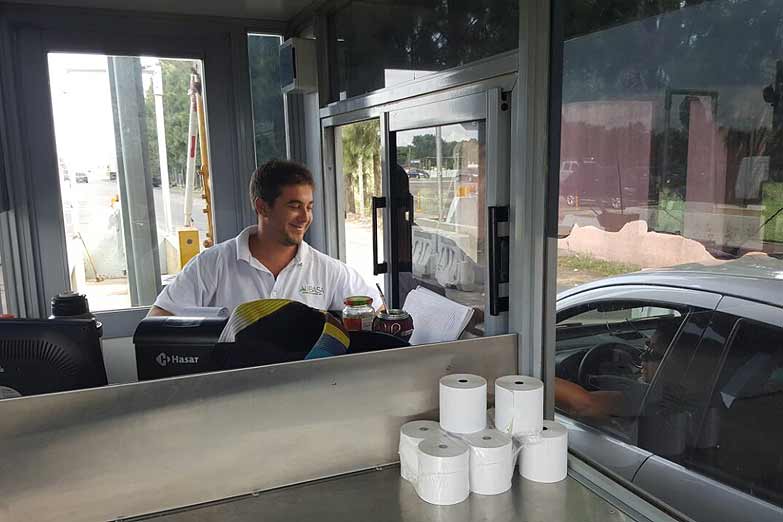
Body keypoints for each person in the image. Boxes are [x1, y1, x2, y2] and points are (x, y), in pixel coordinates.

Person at [149, 159, 380, 316]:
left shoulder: (330, 271)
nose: (305, 217)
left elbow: (378, 312)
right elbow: (158, 319)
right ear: (262, 207)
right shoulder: (211, 265)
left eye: (309, 207)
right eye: (294, 206)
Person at [555, 320, 679, 419]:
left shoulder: (650, 397)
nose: (642, 356)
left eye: (653, 353)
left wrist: (538, 377)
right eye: (646, 347)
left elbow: (584, 405)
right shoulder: (684, 397)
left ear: (680, 366)